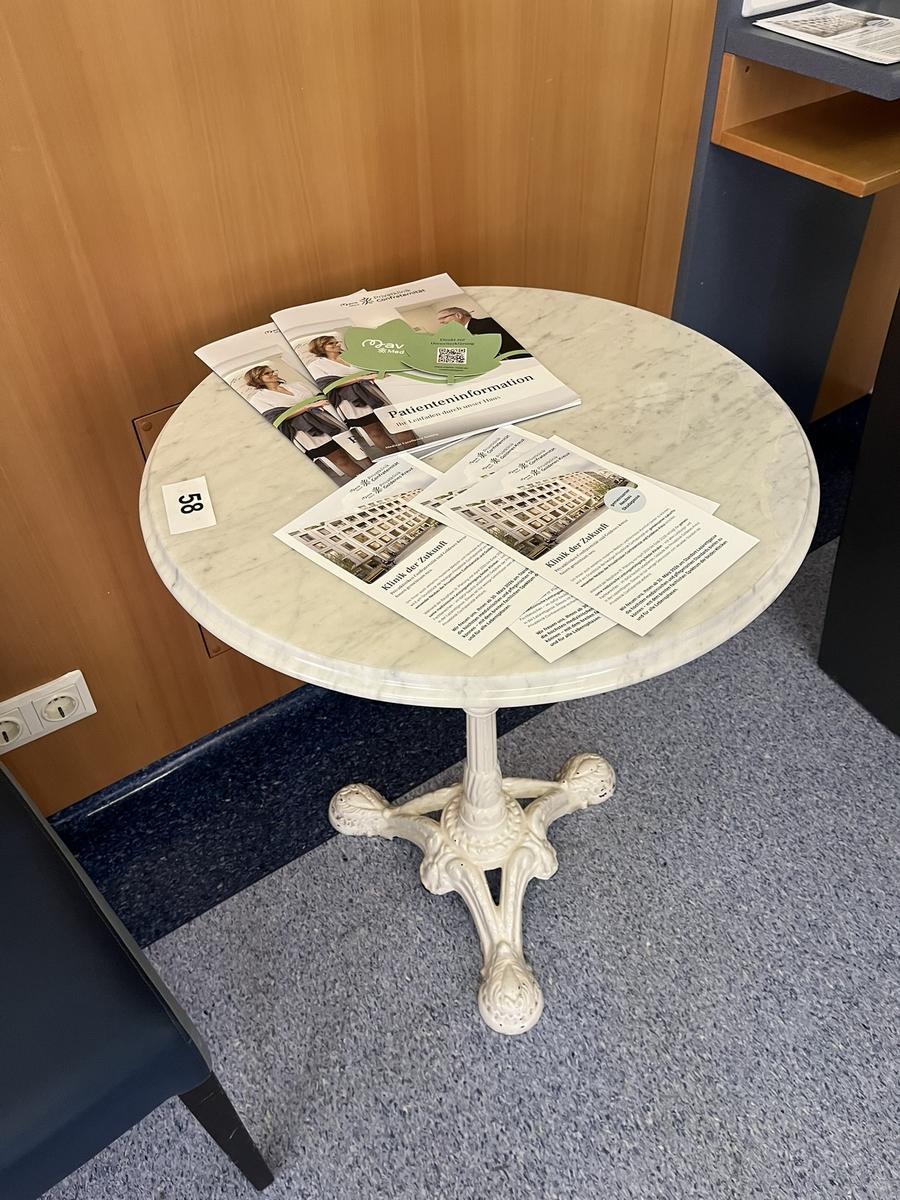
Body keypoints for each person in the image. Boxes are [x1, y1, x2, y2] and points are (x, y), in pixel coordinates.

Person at [243, 364, 371, 478]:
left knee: (358, 450)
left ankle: (376, 474)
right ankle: (367, 482)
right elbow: (275, 418)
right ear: (257, 379)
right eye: (267, 373)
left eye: (273, 371)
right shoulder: (259, 399)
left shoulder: (297, 385)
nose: (273, 374)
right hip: (308, 432)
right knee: (341, 459)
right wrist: (308, 407)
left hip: (327, 419)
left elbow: (320, 397)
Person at [305, 335, 418, 452]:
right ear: (320, 348)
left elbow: (374, 368)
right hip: (352, 402)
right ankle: (399, 457)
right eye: (331, 343)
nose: (337, 344)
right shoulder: (316, 366)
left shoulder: (353, 356)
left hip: (375, 393)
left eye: (336, 342)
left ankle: (416, 453)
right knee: (375, 432)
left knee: (399, 425)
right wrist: (360, 378)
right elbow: (326, 385)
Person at [436, 306, 527, 358]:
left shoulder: (487, 323)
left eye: (443, 318)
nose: (441, 322)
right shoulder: (464, 334)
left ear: (458, 315)